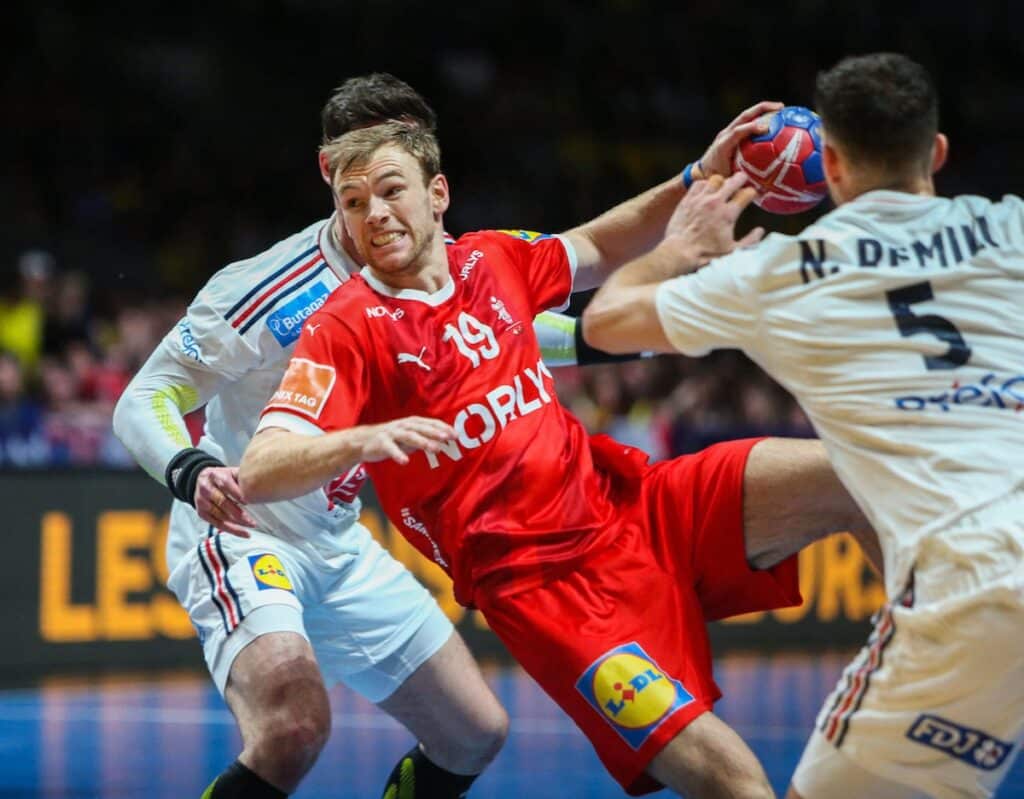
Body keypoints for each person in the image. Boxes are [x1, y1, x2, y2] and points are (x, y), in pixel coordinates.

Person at [113, 73, 768, 799]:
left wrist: (679, 237)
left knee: (474, 733)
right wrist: (191, 468)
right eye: (365, 171)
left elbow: (530, 318)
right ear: (331, 169)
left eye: (404, 157)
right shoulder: (268, 289)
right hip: (243, 526)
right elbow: (146, 396)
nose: (385, 193)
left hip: (337, 538)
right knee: (293, 727)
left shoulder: (442, 254)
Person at [238, 119, 875, 798]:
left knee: (855, 474)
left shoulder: (491, 258)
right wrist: (360, 440)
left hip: (633, 503)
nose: (375, 213)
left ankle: (909, 666)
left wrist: (700, 175)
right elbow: (260, 468)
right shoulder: (345, 325)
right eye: (354, 202)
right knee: (736, 783)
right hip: (550, 593)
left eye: (391, 191)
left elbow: (598, 244)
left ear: (438, 194)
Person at [582, 53, 1024, 799]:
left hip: (970, 585)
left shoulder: (783, 272)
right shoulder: (1009, 226)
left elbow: (606, 321)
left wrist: (682, 250)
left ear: (832, 167)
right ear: (938, 151)